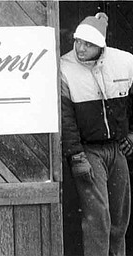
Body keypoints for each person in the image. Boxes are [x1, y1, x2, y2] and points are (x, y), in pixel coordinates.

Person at [61, 12, 133, 256]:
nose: (80, 48)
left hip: (116, 148)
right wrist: (75, 155)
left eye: (88, 44)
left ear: (101, 46)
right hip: (88, 150)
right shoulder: (65, 67)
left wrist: (131, 134)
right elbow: (65, 116)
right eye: (77, 41)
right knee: (98, 218)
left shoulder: (125, 62)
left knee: (119, 217)